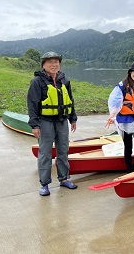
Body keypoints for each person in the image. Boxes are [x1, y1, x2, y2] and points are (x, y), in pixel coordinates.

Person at [27, 51, 78, 196]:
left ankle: (64, 178)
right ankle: (44, 184)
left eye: (56, 62)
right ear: (44, 65)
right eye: (50, 62)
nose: (54, 64)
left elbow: (70, 100)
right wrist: (35, 125)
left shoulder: (64, 80)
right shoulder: (37, 81)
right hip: (45, 122)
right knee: (45, 153)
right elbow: (32, 104)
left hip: (62, 121)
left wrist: (73, 119)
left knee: (63, 150)